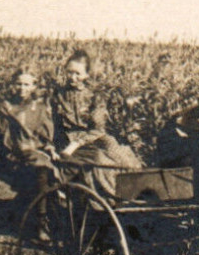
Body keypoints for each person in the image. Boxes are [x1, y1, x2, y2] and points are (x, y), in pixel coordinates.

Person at [51, 50, 142, 199]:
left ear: (86, 74)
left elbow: (98, 128)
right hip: (67, 140)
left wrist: (78, 143)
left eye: (77, 74)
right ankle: (108, 197)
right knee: (100, 159)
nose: (73, 77)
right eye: (69, 73)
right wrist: (55, 145)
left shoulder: (95, 95)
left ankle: (131, 193)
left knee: (123, 157)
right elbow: (53, 123)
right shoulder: (58, 94)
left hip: (92, 137)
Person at [0, 68, 57, 226]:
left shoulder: (39, 108)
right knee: (41, 169)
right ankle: (41, 221)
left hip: (35, 152)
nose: (22, 88)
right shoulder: (5, 107)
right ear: (13, 85)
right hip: (13, 155)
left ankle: (55, 218)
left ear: (34, 86)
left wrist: (50, 148)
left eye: (27, 84)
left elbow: (46, 135)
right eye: (19, 84)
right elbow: (4, 138)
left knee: (57, 170)